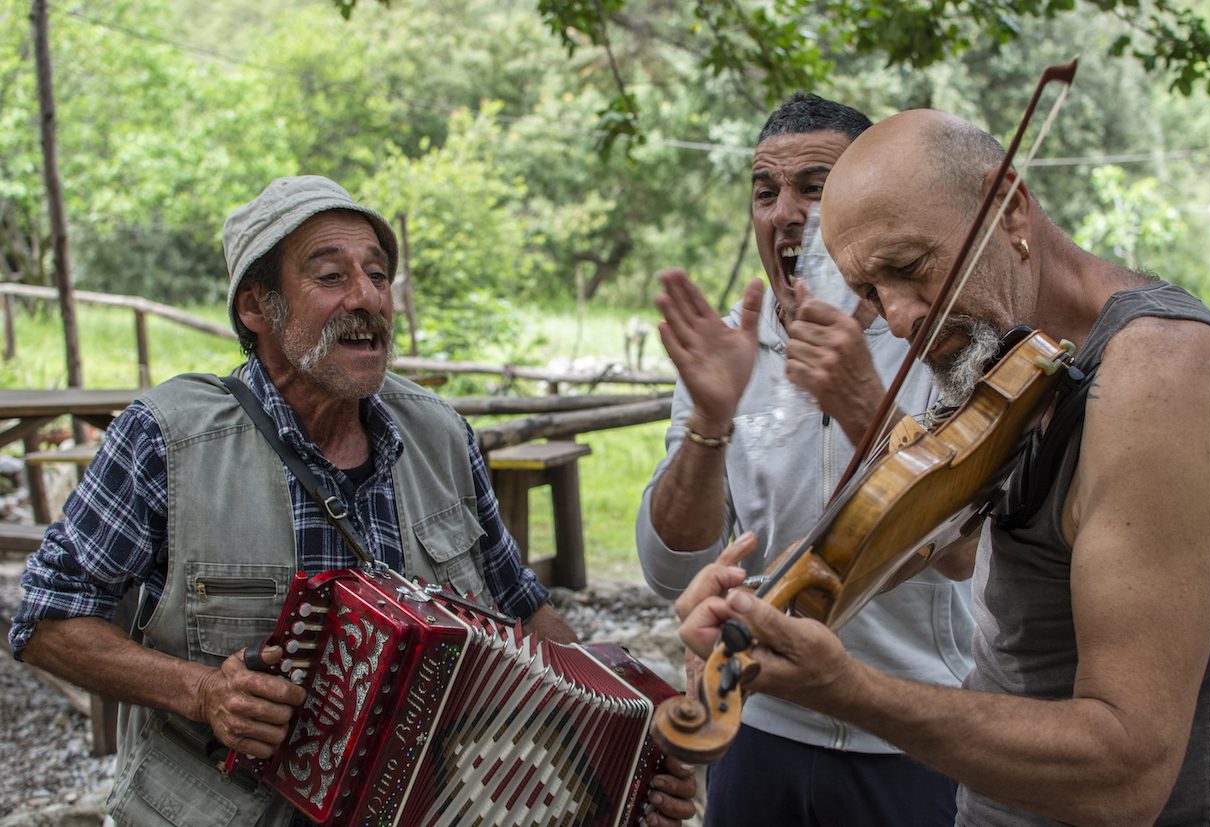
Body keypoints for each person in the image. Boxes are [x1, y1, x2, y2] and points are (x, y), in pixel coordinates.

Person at [9, 175, 696, 827]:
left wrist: (633, 744)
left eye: (377, 273)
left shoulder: (441, 435)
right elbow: (45, 619)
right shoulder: (167, 439)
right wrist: (200, 691)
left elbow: (525, 613)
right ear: (256, 307)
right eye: (331, 275)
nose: (367, 296)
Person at [674, 108, 1210, 825]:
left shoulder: (1163, 372)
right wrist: (753, 612)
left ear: (1010, 206)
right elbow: (926, 541)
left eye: (911, 268)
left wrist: (850, 689)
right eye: (872, 291)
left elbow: (1126, 773)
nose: (902, 318)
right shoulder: (1016, 363)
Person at [636, 94, 973, 826]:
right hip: (758, 725)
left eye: (813, 187)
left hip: (914, 730)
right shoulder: (730, 345)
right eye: (766, 191)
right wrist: (710, 420)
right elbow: (667, 568)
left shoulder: (940, 337)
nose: (784, 210)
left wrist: (862, 401)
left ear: (863, 202)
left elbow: (964, 552)